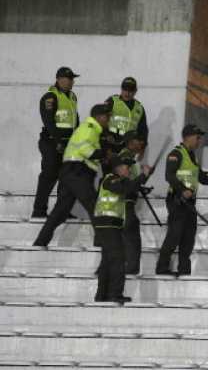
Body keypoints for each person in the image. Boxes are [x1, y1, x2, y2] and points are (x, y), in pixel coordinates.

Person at [155, 124, 208, 275]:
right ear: (188, 137)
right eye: (197, 138)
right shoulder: (176, 154)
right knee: (174, 235)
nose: (199, 141)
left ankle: (184, 270)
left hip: (190, 202)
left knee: (188, 238)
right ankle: (162, 268)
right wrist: (183, 190)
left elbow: (202, 178)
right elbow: (169, 176)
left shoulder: (193, 157)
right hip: (177, 200)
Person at [33, 104, 111, 246]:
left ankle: (40, 242)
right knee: (94, 206)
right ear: (99, 117)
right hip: (78, 171)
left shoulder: (89, 129)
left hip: (70, 171)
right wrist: (104, 154)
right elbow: (85, 149)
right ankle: (102, 243)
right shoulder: (90, 128)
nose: (109, 119)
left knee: (60, 212)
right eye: (107, 116)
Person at [94, 155, 151, 303]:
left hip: (110, 224)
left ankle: (102, 295)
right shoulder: (110, 179)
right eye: (127, 168)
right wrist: (143, 175)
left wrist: (142, 179)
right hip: (108, 224)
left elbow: (130, 187)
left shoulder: (118, 180)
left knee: (107, 260)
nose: (129, 170)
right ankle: (114, 294)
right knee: (119, 259)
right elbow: (125, 187)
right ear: (118, 169)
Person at [32, 67, 80, 219]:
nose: (72, 81)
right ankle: (39, 211)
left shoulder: (72, 96)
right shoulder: (50, 97)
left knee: (66, 179)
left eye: (72, 79)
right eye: (69, 78)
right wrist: (59, 142)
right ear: (59, 79)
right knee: (49, 176)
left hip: (68, 145)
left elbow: (74, 120)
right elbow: (49, 122)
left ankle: (61, 211)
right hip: (52, 143)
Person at [117, 131, 147, 274]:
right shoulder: (125, 157)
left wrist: (142, 184)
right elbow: (126, 182)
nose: (140, 143)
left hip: (127, 204)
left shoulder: (130, 158)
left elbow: (132, 182)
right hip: (124, 205)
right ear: (129, 142)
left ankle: (129, 269)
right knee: (132, 240)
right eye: (137, 140)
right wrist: (144, 175)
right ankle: (130, 269)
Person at [104, 77, 148, 152]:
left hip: (128, 147)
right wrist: (106, 134)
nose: (127, 93)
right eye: (125, 90)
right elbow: (101, 119)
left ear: (135, 91)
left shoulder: (139, 108)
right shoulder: (112, 101)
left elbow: (143, 129)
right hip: (111, 143)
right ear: (121, 89)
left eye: (130, 90)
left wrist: (142, 145)